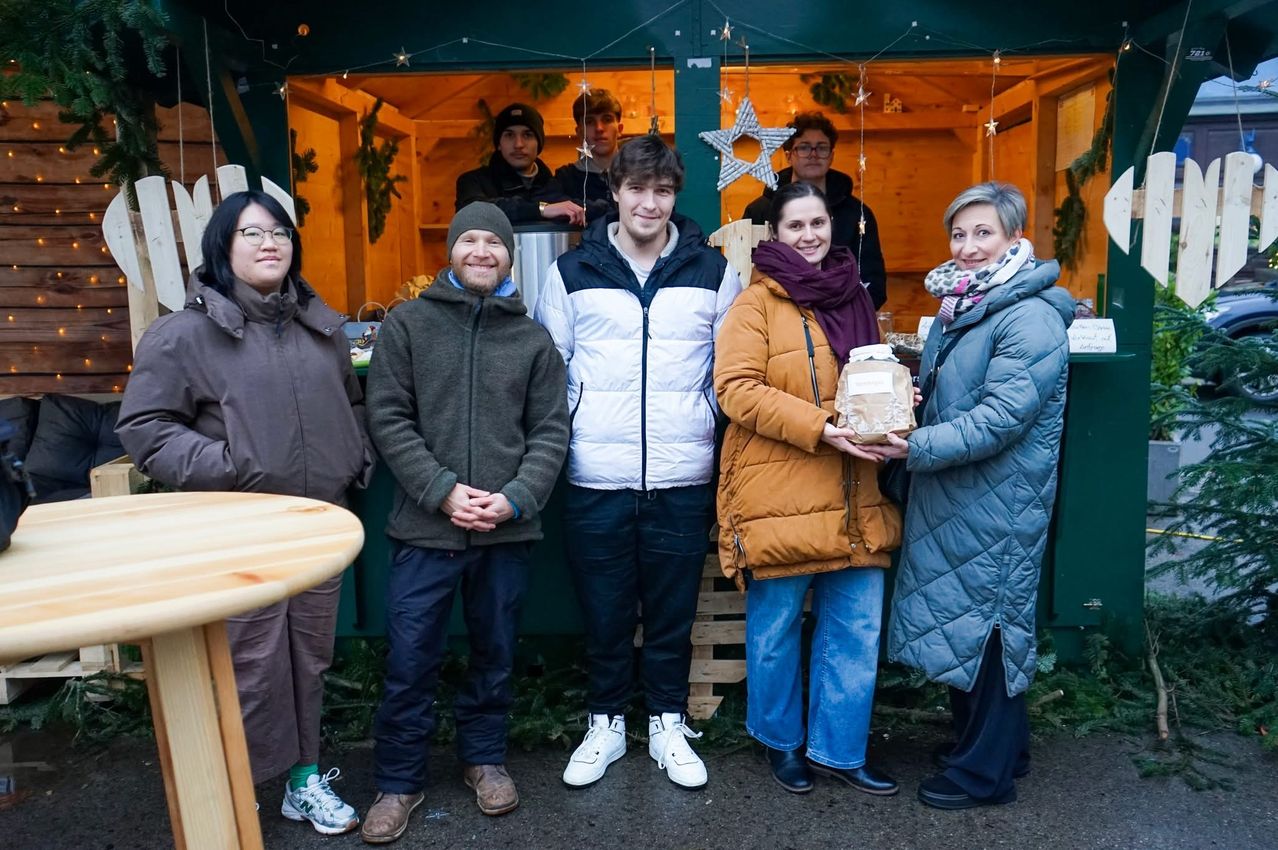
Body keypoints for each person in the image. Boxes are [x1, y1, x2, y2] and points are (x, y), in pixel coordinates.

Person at [116, 190, 373, 836]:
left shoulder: (321, 327)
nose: (271, 244)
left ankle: (302, 780)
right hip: (239, 528)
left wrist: (356, 455)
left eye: (281, 232)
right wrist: (229, 467)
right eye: (253, 234)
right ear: (223, 249)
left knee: (308, 658)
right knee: (249, 662)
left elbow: (353, 403)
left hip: (317, 525)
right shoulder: (185, 335)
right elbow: (144, 427)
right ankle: (235, 790)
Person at [534, 135, 742, 790]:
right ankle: (605, 725)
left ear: (674, 196)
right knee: (604, 610)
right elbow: (552, 373)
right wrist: (576, 431)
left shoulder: (713, 272)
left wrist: (702, 421)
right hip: (596, 473)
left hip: (682, 476)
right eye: (636, 188)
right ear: (616, 192)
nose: (648, 203)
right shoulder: (571, 273)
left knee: (673, 610)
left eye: (662, 190)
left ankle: (667, 725)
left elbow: (726, 372)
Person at [361, 202, 569, 843]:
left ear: (509, 256)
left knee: (495, 653)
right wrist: (442, 491)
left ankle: (484, 759)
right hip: (427, 528)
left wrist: (516, 497)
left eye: (494, 243)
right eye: (469, 241)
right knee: (411, 658)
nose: (482, 252)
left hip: (505, 529)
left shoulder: (532, 339)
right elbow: (389, 417)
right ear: (451, 251)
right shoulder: (408, 326)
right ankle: (399, 781)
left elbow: (550, 430)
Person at [863, 182, 1074, 810]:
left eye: (984, 233)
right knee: (967, 621)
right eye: (960, 234)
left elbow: (999, 419)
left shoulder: (1028, 315)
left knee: (989, 629)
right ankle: (997, 749)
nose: (969, 246)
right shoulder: (970, 303)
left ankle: (986, 776)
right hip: (964, 493)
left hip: (999, 500)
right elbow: (964, 396)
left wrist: (914, 448)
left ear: (1014, 237)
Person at [714, 181, 902, 797]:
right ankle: (782, 744)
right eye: (795, 226)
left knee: (857, 629)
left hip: (855, 488)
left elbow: (866, 376)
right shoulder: (755, 305)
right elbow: (736, 389)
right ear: (775, 234)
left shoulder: (856, 296)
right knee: (776, 630)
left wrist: (893, 400)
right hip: (779, 493)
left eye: (818, 223)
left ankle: (840, 750)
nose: (810, 236)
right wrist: (822, 426)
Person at [742, 111, 888, 309]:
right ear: (788, 155)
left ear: (831, 155)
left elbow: (874, 283)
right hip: (778, 315)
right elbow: (746, 274)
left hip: (844, 317)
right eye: (803, 147)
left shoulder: (857, 214)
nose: (813, 154)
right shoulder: (759, 211)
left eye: (821, 148)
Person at [456, 102, 585, 226]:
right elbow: (472, 211)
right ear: (499, 144)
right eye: (509, 135)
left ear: (538, 144)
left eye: (527, 135)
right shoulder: (473, 181)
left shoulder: (553, 184)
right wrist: (541, 209)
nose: (518, 144)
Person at [554, 88, 623, 223]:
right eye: (589, 122)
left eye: (607, 119)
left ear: (620, 129)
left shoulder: (640, 174)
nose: (599, 128)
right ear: (579, 132)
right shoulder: (565, 178)